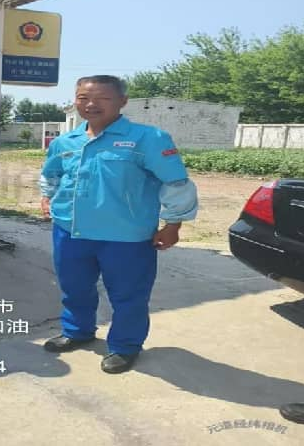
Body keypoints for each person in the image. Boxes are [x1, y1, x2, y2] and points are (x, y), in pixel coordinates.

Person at [40, 75, 198, 373]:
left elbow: (176, 183)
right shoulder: (65, 141)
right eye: (83, 98)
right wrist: (47, 197)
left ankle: (125, 346)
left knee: (128, 296)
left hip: (125, 236)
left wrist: (173, 224)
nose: (91, 104)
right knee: (74, 287)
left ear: (122, 102)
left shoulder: (148, 139)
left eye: (102, 98)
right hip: (70, 231)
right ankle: (77, 331)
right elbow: (52, 174)